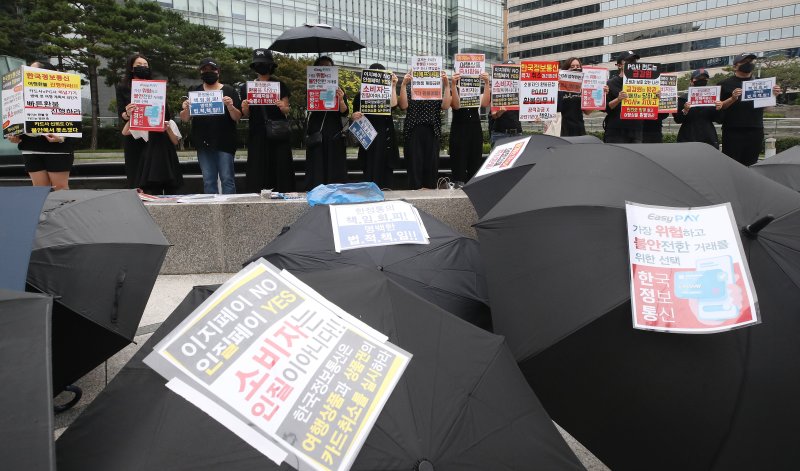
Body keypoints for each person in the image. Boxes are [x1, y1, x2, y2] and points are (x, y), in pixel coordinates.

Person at [5, 61, 74, 190]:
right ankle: (42, 211)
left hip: (57, 149)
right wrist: (15, 135)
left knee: (60, 189)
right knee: (39, 190)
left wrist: (61, 137)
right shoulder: (19, 95)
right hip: (30, 147)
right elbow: (16, 123)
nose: (28, 73)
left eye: (32, 71)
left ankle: (64, 211)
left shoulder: (65, 92)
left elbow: (72, 119)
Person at [179, 57, 242, 194]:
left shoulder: (229, 90)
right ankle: (212, 212)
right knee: (208, 180)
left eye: (212, 69)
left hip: (225, 142)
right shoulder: (195, 91)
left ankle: (230, 212)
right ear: (201, 73)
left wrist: (230, 106)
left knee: (227, 179)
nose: (208, 72)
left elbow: (237, 117)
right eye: (204, 70)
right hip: (203, 143)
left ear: (218, 72)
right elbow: (184, 118)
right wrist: (186, 108)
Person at [240, 49, 294, 193]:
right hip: (257, 132)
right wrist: (245, 108)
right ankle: (257, 194)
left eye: (264, 63)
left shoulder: (280, 85)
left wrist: (283, 107)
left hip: (278, 132)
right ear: (254, 67)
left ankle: (283, 192)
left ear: (271, 66)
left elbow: (287, 109)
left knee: (280, 165)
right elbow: (245, 114)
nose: (262, 66)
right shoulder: (246, 87)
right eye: (258, 64)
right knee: (257, 165)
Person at [718, 53, 783, 166]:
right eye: (744, 62)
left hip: (755, 129)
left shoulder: (762, 83)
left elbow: (768, 109)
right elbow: (719, 107)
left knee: (752, 164)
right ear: (735, 66)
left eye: (751, 61)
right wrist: (733, 98)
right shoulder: (724, 84)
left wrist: (773, 96)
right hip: (733, 130)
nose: (748, 64)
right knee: (731, 164)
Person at [399, 66, 452, 189]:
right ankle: (415, 190)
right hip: (413, 129)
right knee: (414, 165)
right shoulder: (408, 88)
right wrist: (403, 85)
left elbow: (445, 106)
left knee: (431, 165)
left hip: (432, 129)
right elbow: (403, 106)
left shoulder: (436, 90)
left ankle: (430, 191)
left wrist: (447, 85)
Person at [351, 63, 400, 189]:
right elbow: (354, 115)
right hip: (368, 136)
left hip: (385, 136)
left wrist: (393, 86)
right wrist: (354, 116)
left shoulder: (388, 93)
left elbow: (394, 105)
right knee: (369, 169)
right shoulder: (360, 95)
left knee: (386, 172)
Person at [304, 56, 349, 190]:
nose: (326, 70)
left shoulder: (338, 88)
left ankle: (334, 189)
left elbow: (344, 112)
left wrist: (340, 99)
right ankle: (316, 188)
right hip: (316, 130)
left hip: (333, 131)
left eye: (329, 68)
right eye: (322, 67)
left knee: (334, 162)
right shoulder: (311, 86)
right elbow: (308, 106)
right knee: (316, 161)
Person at [122, 111, 183, 195]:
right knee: (154, 189)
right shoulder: (145, 124)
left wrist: (168, 129)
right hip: (152, 161)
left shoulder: (170, 123)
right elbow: (125, 132)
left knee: (171, 189)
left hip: (168, 159)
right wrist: (132, 118)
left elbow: (175, 141)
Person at [116, 54, 152, 188]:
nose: (142, 68)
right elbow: (121, 113)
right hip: (132, 134)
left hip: (152, 134)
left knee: (151, 171)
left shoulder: (155, 86)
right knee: (134, 170)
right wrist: (128, 113)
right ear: (131, 68)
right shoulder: (122, 87)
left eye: (145, 65)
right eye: (138, 65)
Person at [450, 70, 490, 186]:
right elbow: (456, 106)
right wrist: (453, 84)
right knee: (458, 159)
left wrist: (487, 83)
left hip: (475, 126)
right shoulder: (454, 88)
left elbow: (485, 103)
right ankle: (458, 184)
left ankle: (474, 186)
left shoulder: (477, 89)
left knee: (475, 158)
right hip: (459, 127)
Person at [673, 69, 721, 149]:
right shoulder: (683, 98)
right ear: (691, 81)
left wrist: (719, 108)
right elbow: (677, 119)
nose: (701, 80)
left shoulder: (713, 98)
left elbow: (719, 119)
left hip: (708, 137)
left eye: (704, 79)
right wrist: (685, 110)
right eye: (698, 78)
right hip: (688, 136)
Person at [557, 57, 606, 137]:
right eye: (572, 67)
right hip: (561, 130)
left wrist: (600, 94)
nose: (576, 68)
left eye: (578, 66)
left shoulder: (583, 88)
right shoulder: (558, 87)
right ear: (565, 70)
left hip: (579, 129)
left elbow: (587, 112)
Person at [604, 51, 644, 143]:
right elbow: (605, 108)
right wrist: (618, 99)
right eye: (628, 61)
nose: (632, 63)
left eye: (634, 61)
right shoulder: (610, 83)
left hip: (636, 131)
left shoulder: (642, 83)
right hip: (615, 132)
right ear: (619, 65)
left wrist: (656, 96)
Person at [490, 59, 523, 146]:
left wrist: (535, 117)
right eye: (507, 69)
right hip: (500, 134)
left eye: (513, 70)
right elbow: (494, 115)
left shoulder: (522, 92)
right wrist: (500, 112)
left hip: (517, 134)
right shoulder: (496, 90)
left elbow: (527, 113)